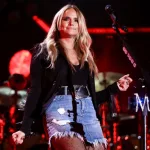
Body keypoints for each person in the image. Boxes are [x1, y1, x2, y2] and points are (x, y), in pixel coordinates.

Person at [12, 4, 132, 150]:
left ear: (80, 25)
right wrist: (24, 128)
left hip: (87, 111)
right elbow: (35, 91)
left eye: (76, 20)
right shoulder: (44, 52)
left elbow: (89, 97)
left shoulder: (85, 56)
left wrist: (114, 88)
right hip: (59, 111)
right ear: (58, 23)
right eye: (66, 19)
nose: (71, 23)